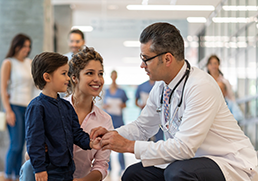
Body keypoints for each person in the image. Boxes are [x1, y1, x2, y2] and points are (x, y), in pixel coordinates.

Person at [91, 22, 258, 181]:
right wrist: (111, 135)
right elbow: (143, 126)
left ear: (167, 59)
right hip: (189, 160)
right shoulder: (161, 86)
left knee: (177, 173)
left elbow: (184, 147)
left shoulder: (200, 86)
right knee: (133, 174)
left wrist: (129, 146)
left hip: (226, 161)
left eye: (146, 58)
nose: (142, 65)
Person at [20, 47, 113, 181]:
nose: (97, 79)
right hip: (46, 171)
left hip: (69, 174)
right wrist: (39, 163)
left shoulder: (101, 119)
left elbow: (78, 135)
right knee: (29, 167)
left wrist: (92, 143)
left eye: (100, 73)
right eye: (90, 73)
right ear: (74, 77)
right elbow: (32, 145)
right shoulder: (39, 106)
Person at [0, 33, 36, 181]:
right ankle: (8, 176)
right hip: (14, 106)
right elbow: (2, 89)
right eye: (24, 46)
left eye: (28, 47)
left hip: (28, 107)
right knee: (15, 145)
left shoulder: (30, 62)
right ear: (16, 46)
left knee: (23, 147)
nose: (26, 49)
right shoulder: (8, 63)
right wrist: (8, 110)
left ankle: (18, 176)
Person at [103, 70, 128, 175]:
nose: (113, 77)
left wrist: (120, 105)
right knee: (107, 144)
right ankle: (108, 168)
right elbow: (102, 104)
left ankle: (122, 167)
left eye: (115, 75)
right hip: (108, 119)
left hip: (119, 120)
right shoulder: (105, 91)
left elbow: (125, 104)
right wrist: (106, 106)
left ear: (116, 76)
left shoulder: (121, 91)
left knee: (120, 143)